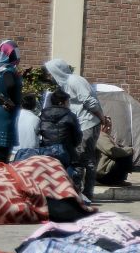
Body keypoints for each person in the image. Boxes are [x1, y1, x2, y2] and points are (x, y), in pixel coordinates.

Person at [45, 59, 104, 199]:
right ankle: (77, 191)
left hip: (88, 123)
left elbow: (90, 101)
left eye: (51, 72)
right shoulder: (64, 84)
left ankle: (86, 193)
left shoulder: (74, 81)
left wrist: (102, 118)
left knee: (85, 159)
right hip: (79, 124)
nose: (50, 76)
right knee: (78, 158)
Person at [0, 40, 22, 165]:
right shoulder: (8, 71)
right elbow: (11, 85)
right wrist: (14, 101)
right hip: (4, 117)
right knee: (0, 161)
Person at [37, 89, 82, 168]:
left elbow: (40, 132)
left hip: (46, 151)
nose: (69, 104)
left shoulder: (42, 115)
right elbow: (78, 136)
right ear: (61, 103)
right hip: (66, 152)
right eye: (67, 102)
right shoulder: (71, 116)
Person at [96, 116, 135, 186]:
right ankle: (116, 180)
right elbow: (111, 150)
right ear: (100, 125)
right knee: (125, 155)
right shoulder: (100, 136)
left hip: (102, 171)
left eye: (110, 126)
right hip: (102, 173)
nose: (108, 128)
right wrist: (130, 150)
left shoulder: (105, 136)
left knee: (125, 152)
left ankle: (119, 179)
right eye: (106, 125)